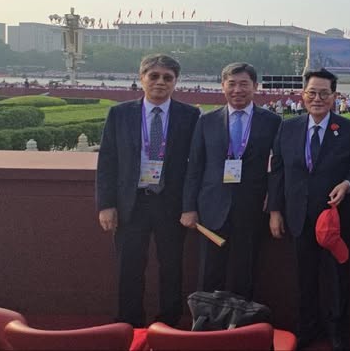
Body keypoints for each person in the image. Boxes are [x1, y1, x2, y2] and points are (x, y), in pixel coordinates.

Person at [95, 54, 201, 327]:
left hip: (170, 203)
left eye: (167, 77)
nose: (160, 82)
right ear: (141, 78)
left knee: (171, 267)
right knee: (129, 266)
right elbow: (107, 160)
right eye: (153, 76)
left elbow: (195, 165)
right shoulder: (120, 114)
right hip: (132, 203)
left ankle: (168, 323)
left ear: (176, 82)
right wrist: (106, 204)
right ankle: (129, 322)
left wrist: (190, 206)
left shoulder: (190, 115)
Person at [267, 69, 350, 351]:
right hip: (298, 215)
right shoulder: (288, 127)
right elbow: (277, 171)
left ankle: (337, 331)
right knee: (304, 276)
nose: (317, 99)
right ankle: (308, 327)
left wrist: (347, 184)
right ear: (303, 95)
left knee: (337, 277)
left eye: (324, 93)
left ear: (334, 96)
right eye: (312, 93)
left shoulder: (348, 129)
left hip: (335, 217)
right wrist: (275, 211)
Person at [181, 62, 281, 299]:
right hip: (211, 207)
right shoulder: (206, 121)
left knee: (245, 272)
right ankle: (206, 320)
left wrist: (274, 203)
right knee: (209, 272)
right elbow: (195, 167)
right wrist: (188, 207)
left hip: (252, 207)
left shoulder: (272, 121)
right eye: (232, 84)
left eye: (244, 84)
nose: (237, 90)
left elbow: (278, 167)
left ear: (255, 86)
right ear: (223, 86)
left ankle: (240, 320)